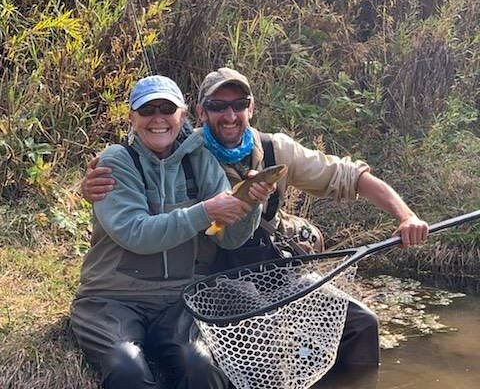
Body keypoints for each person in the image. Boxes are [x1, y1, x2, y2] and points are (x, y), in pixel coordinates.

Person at [81, 68, 429, 381]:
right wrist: (87, 187)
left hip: (269, 269)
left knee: (362, 323)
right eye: (218, 105)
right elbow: (132, 184)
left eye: (239, 104)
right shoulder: (189, 150)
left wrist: (406, 215)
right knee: (263, 340)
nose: (229, 115)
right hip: (215, 279)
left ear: (251, 107)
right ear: (201, 113)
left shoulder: (273, 149)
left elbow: (348, 175)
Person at [71, 75, 275, 389]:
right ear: (132, 118)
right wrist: (205, 210)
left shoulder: (201, 161)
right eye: (147, 110)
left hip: (178, 299)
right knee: (127, 367)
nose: (158, 118)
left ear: (182, 115)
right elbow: (137, 234)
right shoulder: (116, 161)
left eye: (166, 108)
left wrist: (251, 204)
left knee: (199, 364)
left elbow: (230, 238)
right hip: (111, 298)